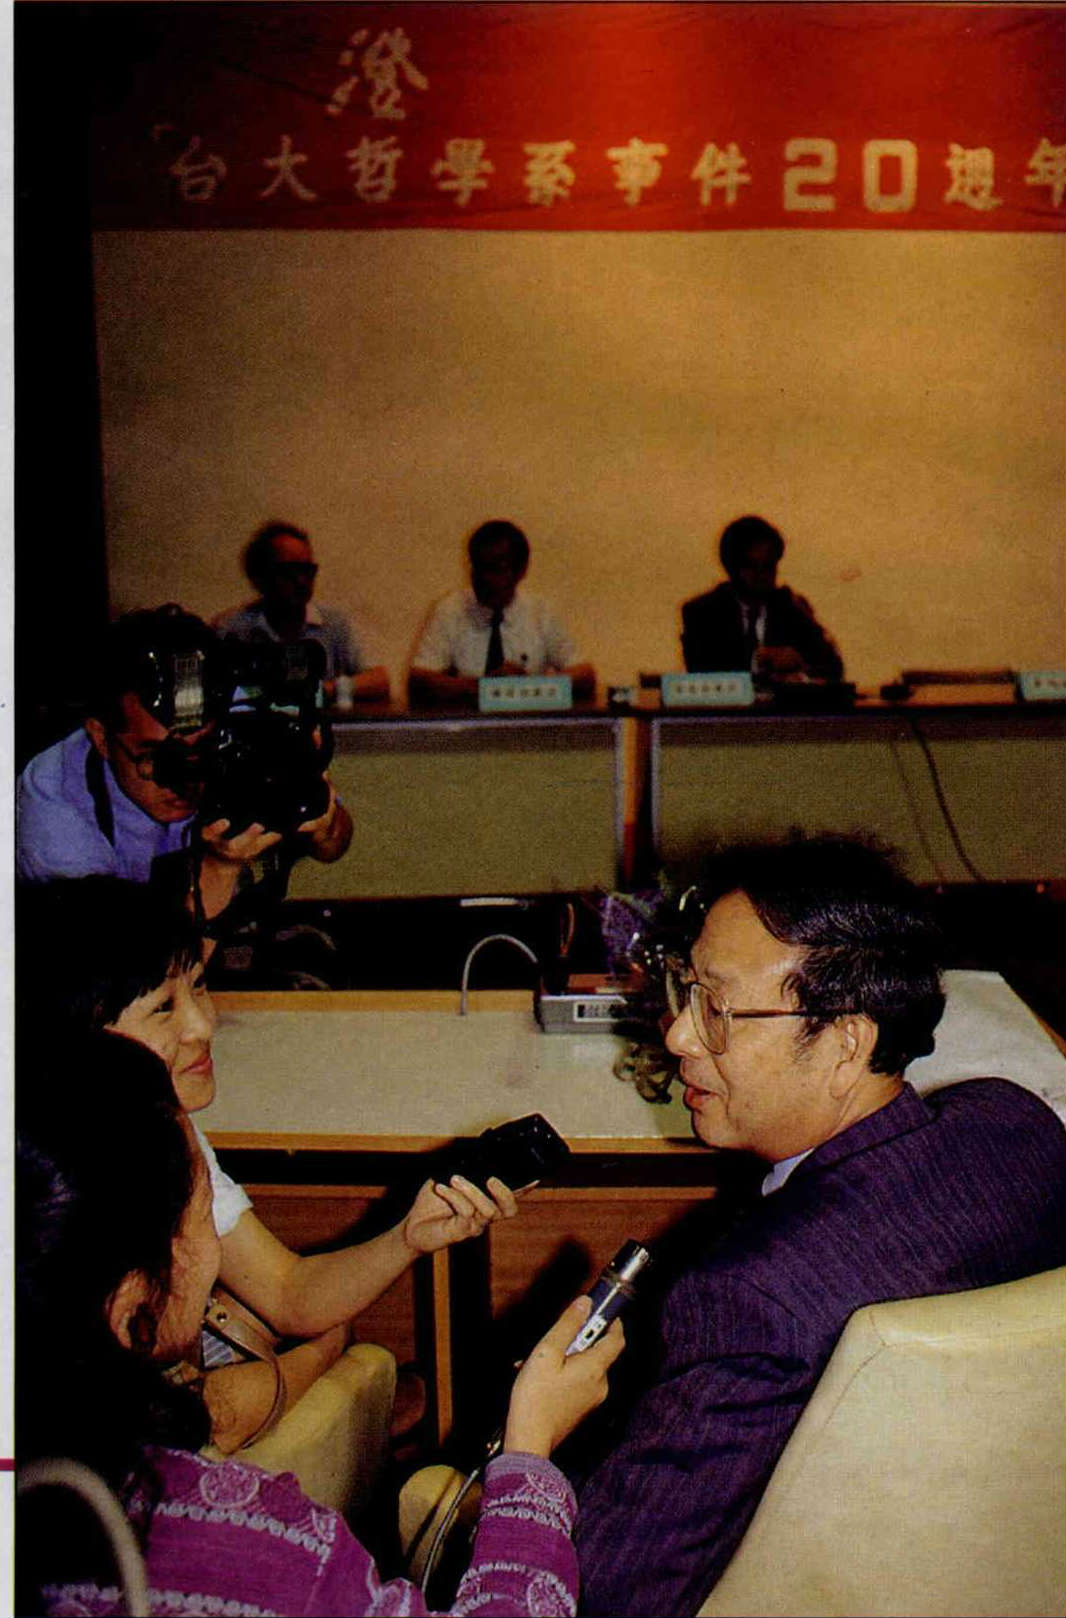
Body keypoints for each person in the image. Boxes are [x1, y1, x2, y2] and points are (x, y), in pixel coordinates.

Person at [573, 835, 1066, 1616]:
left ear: (844, 1043)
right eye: (686, 990)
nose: (678, 1036)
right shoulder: (1018, 1126)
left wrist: (529, 1456)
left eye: (718, 1010)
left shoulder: (745, 1301)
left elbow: (606, 1592)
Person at [17, 1031, 624, 1616]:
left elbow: (290, 1299)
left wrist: (404, 1240)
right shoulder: (257, 1548)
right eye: (203, 1216)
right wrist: (530, 1449)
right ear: (132, 1305)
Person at [18, 876, 520, 1455]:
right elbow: (193, 1417)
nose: (202, 1025)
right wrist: (322, 1350)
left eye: (199, 987)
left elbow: (287, 1292)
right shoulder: (53, 1178)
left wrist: (406, 1237)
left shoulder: (168, 1131)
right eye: (163, 1008)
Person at [16, 605, 353, 923]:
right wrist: (220, 868)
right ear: (101, 737)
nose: (184, 781)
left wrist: (322, 827)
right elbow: (133, 964)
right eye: (156, 757)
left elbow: (333, 842)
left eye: (202, 748)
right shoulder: (56, 814)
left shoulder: (225, 705)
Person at [409, 520, 595, 705]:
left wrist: (528, 686)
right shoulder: (450, 609)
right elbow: (419, 680)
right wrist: (485, 688)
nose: (485, 578)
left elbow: (584, 675)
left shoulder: (540, 612)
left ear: (521, 571)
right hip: (468, 720)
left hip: (527, 720)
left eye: (496, 569)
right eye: (479, 567)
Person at [215, 520, 390, 700]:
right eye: (289, 571)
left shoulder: (334, 624)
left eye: (307, 570)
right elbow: (217, 689)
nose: (301, 581)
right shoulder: (234, 629)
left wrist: (324, 691)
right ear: (260, 577)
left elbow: (380, 681)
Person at [680, 514, 844, 681]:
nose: (762, 576)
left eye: (768, 566)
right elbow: (703, 670)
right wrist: (758, 662)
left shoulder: (791, 607)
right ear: (731, 567)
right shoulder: (702, 612)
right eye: (752, 566)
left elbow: (834, 668)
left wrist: (801, 665)